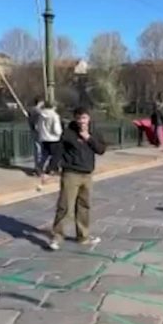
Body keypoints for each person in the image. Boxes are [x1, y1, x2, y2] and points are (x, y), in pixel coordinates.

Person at [49, 107, 106, 251]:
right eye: (79, 118)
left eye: (84, 118)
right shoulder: (68, 133)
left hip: (87, 174)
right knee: (65, 206)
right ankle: (57, 236)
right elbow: (58, 151)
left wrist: (89, 138)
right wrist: (51, 168)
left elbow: (101, 150)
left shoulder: (94, 132)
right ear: (75, 119)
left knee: (84, 206)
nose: (82, 121)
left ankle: (83, 236)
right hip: (71, 174)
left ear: (89, 119)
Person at [36, 101, 63, 184]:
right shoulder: (54, 116)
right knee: (57, 155)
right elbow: (56, 129)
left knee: (44, 154)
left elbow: (38, 126)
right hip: (54, 138)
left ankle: (39, 168)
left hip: (44, 137)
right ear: (53, 107)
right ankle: (50, 169)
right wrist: (59, 133)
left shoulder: (41, 115)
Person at [28, 96, 45, 176]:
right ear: (40, 102)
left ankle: (37, 167)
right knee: (40, 150)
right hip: (39, 131)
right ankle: (39, 168)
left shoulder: (31, 110)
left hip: (33, 131)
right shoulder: (38, 111)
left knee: (37, 149)